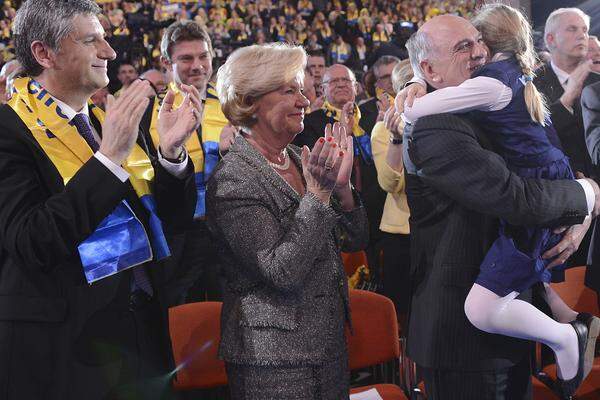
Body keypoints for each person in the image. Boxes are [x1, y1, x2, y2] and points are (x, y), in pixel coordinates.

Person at [0, 0, 200, 399]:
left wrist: (172, 155)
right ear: (44, 53)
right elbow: (31, 241)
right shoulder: (8, 132)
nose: (109, 51)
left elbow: (171, 222)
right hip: (66, 351)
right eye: (92, 40)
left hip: (141, 331)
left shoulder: (105, 119)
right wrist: (108, 160)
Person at [397, 13, 600, 399]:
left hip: (504, 318)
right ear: (428, 68)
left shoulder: (476, 103)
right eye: (463, 47)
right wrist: (588, 194)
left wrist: (583, 211)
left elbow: (549, 157)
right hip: (466, 339)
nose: (478, 53)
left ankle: (568, 327)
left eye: (478, 41)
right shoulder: (436, 127)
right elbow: (519, 199)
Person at [208, 43, 368, 399]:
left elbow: (355, 240)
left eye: (302, 90)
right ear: (251, 100)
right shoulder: (234, 179)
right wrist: (319, 196)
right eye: (289, 91)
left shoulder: (300, 158)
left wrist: (341, 190)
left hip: (328, 348)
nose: (304, 102)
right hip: (274, 363)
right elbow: (282, 271)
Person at [141, 20, 230, 305]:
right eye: (186, 58)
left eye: (203, 56)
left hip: (227, 233)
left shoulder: (233, 106)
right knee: (178, 323)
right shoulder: (149, 113)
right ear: (167, 61)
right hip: (175, 237)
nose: (197, 65)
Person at [295, 63, 385, 278]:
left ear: (357, 87)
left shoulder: (375, 117)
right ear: (323, 89)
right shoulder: (310, 123)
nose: (341, 84)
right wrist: (344, 129)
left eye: (346, 80)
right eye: (334, 81)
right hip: (338, 209)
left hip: (378, 204)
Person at [370, 59, 412, 328]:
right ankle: (406, 371)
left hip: (442, 227)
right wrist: (399, 139)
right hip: (403, 236)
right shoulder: (383, 129)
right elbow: (390, 183)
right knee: (406, 319)